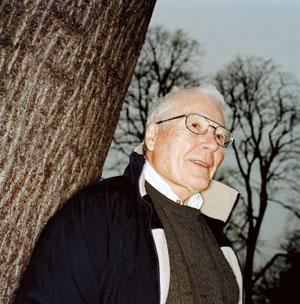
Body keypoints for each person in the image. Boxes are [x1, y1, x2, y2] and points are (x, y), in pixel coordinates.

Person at [14, 85, 243, 304]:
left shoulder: (221, 243)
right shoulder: (99, 211)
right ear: (152, 136)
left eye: (220, 137)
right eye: (195, 125)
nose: (212, 145)